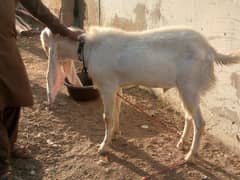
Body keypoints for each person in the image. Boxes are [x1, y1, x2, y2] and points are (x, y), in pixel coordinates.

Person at [0, 0, 83, 179]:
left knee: (15, 97)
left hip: (6, 46)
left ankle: (9, 144)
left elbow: (37, 7)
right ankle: (1, 165)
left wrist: (63, 30)